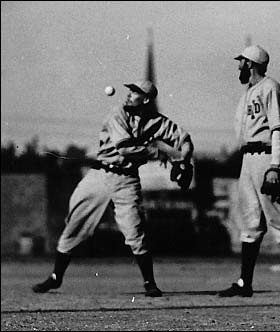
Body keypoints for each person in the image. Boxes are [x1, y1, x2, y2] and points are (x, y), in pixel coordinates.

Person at [32, 80, 194, 297]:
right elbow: (125, 148)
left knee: (135, 231)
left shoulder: (157, 122)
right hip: (100, 175)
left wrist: (184, 160)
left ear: (146, 99)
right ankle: (55, 277)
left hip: (127, 181)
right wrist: (162, 154)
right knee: (74, 225)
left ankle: (149, 283)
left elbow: (184, 138)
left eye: (136, 92)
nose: (129, 94)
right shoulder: (117, 114)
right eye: (130, 89)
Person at [217, 45, 280, 300]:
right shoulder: (248, 93)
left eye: (242, 62)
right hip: (249, 160)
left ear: (251, 64)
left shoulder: (270, 88)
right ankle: (244, 282)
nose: (239, 67)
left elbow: (278, 129)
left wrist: (275, 166)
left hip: (268, 157)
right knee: (250, 221)